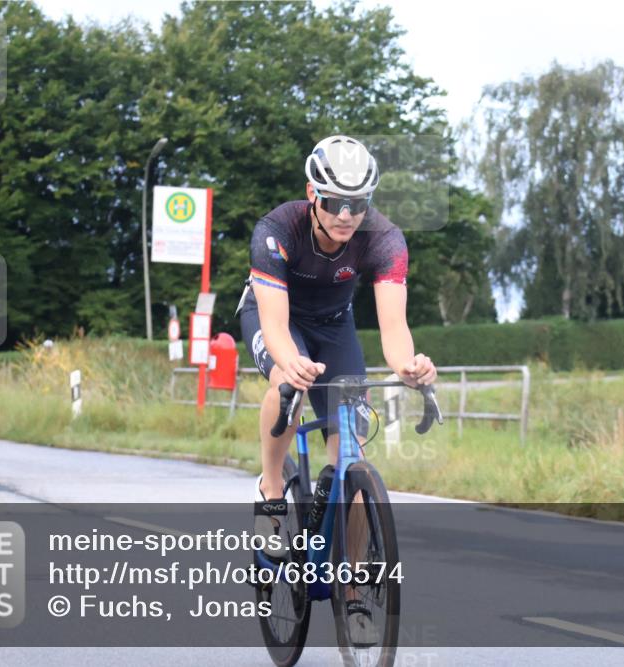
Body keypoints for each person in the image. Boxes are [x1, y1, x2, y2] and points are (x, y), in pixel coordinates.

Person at [237, 135, 437, 640]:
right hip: (275, 317)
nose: (347, 215)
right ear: (312, 194)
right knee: (289, 378)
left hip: (334, 325)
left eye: (358, 204)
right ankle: (272, 487)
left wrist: (410, 366)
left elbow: (393, 329)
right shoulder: (276, 230)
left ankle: (350, 591)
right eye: (335, 203)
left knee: (350, 459)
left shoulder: (385, 239)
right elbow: (278, 329)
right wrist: (291, 363)